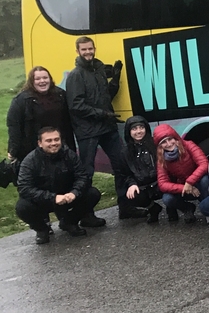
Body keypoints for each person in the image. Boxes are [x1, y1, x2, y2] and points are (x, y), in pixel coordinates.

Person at [65, 36, 123, 226]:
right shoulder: (75, 75)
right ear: (78, 51)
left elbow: (106, 97)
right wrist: (101, 114)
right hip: (88, 131)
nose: (88, 52)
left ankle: (126, 206)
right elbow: (76, 105)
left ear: (94, 48)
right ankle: (86, 214)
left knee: (121, 164)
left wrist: (116, 79)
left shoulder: (99, 70)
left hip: (107, 127)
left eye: (90, 49)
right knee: (86, 174)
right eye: (84, 50)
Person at [15, 127, 101, 244]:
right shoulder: (30, 161)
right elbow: (24, 188)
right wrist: (53, 197)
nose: (54, 143)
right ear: (40, 143)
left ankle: (69, 222)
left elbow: (82, 176)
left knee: (93, 194)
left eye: (56, 139)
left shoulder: (70, 155)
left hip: (68, 196)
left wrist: (74, 192)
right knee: (22, 207)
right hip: (44, 200)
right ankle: (42, 229)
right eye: (49, 141)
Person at [7, 66, 76, 165]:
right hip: (32, 148)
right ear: (31, 81)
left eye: (45, 78)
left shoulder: (61, 95)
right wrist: (13, 150)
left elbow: (69, 121)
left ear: (50, 79)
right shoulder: (21, 100)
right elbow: (14, 126)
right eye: (38, 79)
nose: (42, 81)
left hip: (59, 146)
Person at [153, 124, 209, 224]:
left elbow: (204, 164)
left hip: (198, 182)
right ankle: (187, 208)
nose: (168, 144)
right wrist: (184, 187)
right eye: (164, 142)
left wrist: (190, 182)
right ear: (159, 146)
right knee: (167, 198)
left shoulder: (189, 145)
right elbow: (162, 184)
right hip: (183, 188)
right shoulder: (161, 159)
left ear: (176, 138)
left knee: (205, 180)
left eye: (170, 139)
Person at [115, 115, 162, 223]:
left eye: (141, 127)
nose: (138, 131)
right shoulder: (124, 152)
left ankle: (172, 209)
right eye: (134, 129)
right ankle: (153, 208)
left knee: (168, 189)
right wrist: (132, 184)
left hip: (159, 181)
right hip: (142, 185)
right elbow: (124, 174)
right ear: (129, 132)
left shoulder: (155, 144)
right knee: (131, 196)